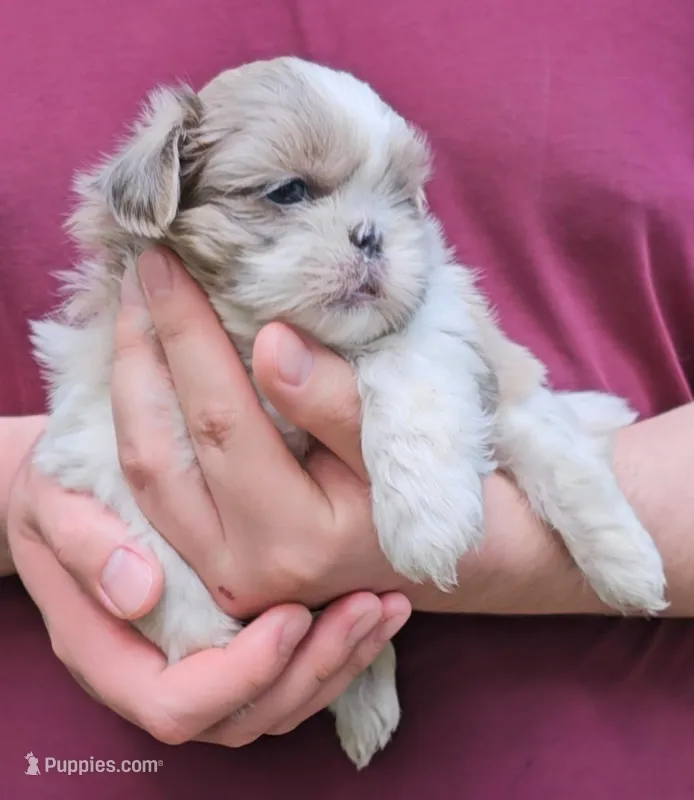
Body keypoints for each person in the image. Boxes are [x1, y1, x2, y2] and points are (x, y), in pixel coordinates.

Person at [2, 0, 694, 797]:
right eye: (290, 192)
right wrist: (32, 502)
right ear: (158, 193)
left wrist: (482, 551)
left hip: (587, 746)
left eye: (400, 199)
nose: (368, 233)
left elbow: (483, 400)